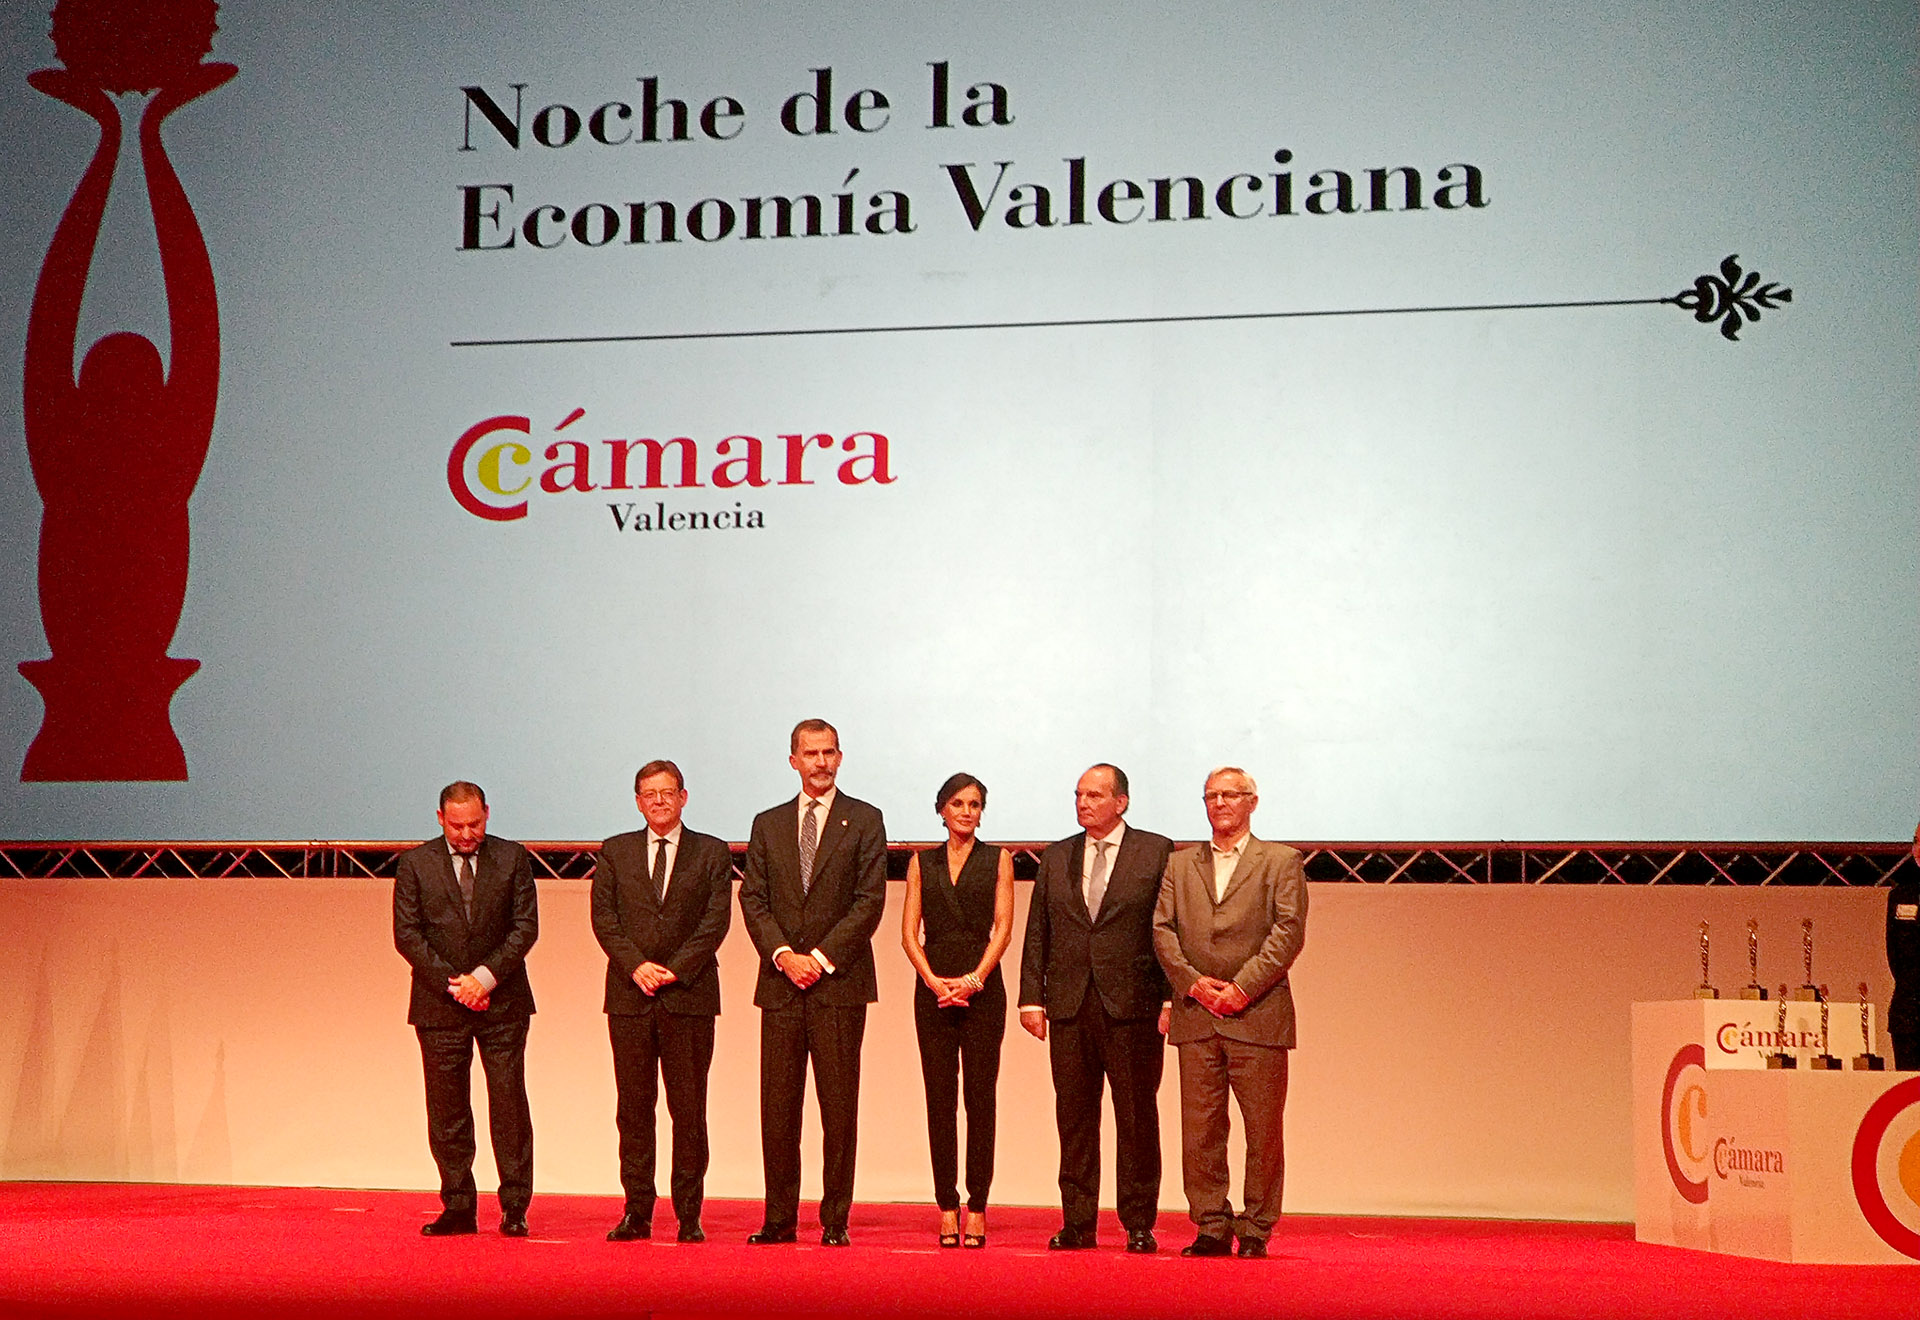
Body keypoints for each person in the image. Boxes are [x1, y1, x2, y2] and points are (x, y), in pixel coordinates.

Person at [738, 719, 888, 1246]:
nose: (820, 762)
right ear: (793, 761)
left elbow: (869, 901)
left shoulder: (865, 819)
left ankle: (835, 1219)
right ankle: (779, 1219)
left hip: (838, 986)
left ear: (840, 758)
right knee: (778, 1109)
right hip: (781, 986)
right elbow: (753, 898)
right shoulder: (768, 823)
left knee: (838, 1108)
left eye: (828, 753)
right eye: (810, 753)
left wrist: (819, 960)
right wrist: (784, 956)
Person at [1152, 767, 1307, 1260]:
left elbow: (1288, 932)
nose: (1219, 803)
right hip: (1196, 1014)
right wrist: (1193, 983)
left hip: (1258, 1015)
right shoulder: (1180, 864)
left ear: (1251, 802)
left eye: (1230, 795)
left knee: (1262, 1130)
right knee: (1200, 1130)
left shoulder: (1281, 861)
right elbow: (1162, 930)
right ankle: (1211, 1225)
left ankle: (1257, 1227)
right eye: (1211, 796)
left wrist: (1241, 988)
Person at [1019, 763, 1174, 1253]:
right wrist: (1031, 997)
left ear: (1121, 802)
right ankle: (1078, 1222)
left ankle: (1138, 1222)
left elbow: (1169, 929)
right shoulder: (1057, 855)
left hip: (1133, 1006)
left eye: (1095, 795)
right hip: (1070, 1005)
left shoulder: (1156, 851)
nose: (1083, 803)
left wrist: (1171, 996)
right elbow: (1038, 929)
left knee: (1136, 1117)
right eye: (1079, 795)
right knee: (1074, 1119)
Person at [590, 760, 734, 1243]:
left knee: (688, 1111)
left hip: (689, 996)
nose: (659, 801)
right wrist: (637, 965)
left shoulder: (711, 852)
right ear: (637, 801)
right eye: (649, 794)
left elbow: (715, 920)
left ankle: (689, 1215)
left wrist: (676, 968)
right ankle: (637, 1212)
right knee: (633, 1110)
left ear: (683, 797)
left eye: (667, 792)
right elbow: (605, 919)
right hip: (630, 997)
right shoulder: (615, 851)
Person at [392, 781, 538, 1237]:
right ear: (440, 819)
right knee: (447, 1110)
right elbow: (407, 935)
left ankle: (515, 1207)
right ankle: (458, 1205)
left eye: (474, 824)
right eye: (457, 826)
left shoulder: (512, 858)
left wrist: (485, 979)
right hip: (440, 1004)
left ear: (487, 814)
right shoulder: (415, 864)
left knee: (508, 1105)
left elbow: (525, 928)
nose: (467, 834)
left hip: (503, 1001)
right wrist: (456, 985)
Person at [901, 773, 1016, 1248]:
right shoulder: (921, 862)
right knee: (940, 1100)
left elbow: (1003, 927)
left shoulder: (998, 858)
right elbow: (909, 933)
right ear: (941, 810)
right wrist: (934, 981)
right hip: (933, 992)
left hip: (983, 991)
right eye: (957, 804)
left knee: (980, 1099)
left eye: (974, 804)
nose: (967, 812)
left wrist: (974, 979)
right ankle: (946, 1205)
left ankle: (978, 1206)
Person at [1888, 820, 1920, 1070]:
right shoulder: (1901, 896)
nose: (1918, 849)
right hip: (1909, 1017)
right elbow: (1895, 956)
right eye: (1916, 841)